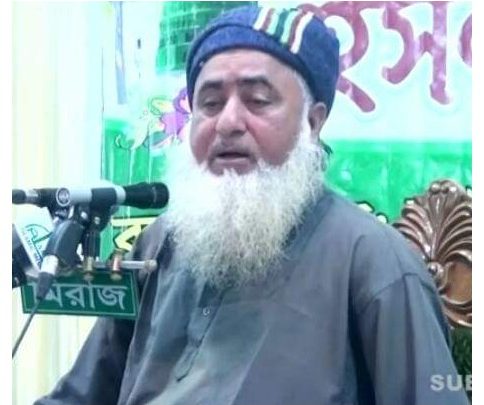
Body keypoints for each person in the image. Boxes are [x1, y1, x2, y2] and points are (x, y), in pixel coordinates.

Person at [35, 5, 469, 405]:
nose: (227, 122)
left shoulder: (375, 263)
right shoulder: (158, 244)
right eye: (209, 104)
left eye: (258, 101)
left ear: (312, 123)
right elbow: (81, 395)